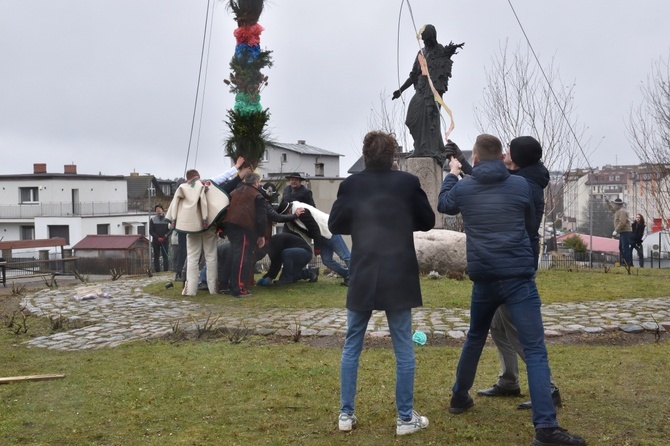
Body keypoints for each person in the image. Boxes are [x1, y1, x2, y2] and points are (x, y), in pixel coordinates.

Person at [437, 134, 585, 446]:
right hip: (518, 277)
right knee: (534, 348)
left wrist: (452, 173)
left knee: (475, 339)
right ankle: (546, 428)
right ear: (502, 156)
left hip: (484, 277)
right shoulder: (521, 187)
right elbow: (530, 225)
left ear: (474, 159)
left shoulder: (464, 186)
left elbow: (444, 205)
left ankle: (459, 397)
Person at [329, 131, 435, 435]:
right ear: (393, 156)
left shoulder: (350, 184)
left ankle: (345, 415)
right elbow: (427, 220)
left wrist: (361, 222)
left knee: (352, 344)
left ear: (365, 154)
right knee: (403, 347)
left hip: (364, 269)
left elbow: (335, 224)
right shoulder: (407, 183)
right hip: (398, 270)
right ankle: (405, 419)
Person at [476, 136, 561, 410]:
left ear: (519, 157)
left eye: (510, 149)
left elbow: (491, 191)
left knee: (515, 327)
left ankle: (548, 389)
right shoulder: (524, 177)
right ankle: (509, 380)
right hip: (509, 259)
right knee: (499, 324)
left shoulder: (524, 184)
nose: (505, 152)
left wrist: (466, 169)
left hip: (514, 262)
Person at [166, 157, 246, 295]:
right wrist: (236, 167)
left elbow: (174, 208)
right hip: (208, 226)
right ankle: (213, 289)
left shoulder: (183, 189)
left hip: (190, 228)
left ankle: (190, 290)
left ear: (187, 179)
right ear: (199, 176)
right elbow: (223, 179)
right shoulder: (206, 185)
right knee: (211, 258)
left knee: (192, 258)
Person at [392, 24, 464, 166]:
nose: (426, 43)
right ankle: (419, 147)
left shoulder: (440, 51)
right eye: (424, 40)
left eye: (428, 40)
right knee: (411, 120)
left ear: (433, 37)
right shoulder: (422, 52)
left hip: (433, 93)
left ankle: (428, 149)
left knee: (430, 122)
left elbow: (443, 69)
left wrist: (449, 52)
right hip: (420, 90)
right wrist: (400, 90)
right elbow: (413, 75)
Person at [283, 200, 351, 286]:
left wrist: (316, 247)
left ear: (287, 211)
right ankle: (347, 275)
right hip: (322, 236)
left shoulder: (301, 212)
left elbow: (315, 229)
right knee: (327, 260)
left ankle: (355, 277)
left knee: (345, 255)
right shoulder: (294, 214)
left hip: (328, 230)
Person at [221, 172, 267, 297]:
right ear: (256, 182)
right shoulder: (258, 196)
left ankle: (227, 284)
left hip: (230, 226)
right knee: (241, 258)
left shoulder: (235, 192)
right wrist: (261, 235)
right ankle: (238, 288)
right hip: (243, 228)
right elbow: (261, 218)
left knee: (235, 255)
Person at [605, 197, 633, 266]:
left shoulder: (622, 211)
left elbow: (622, 222)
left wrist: (616, 230)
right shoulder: (618, 210)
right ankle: (625, 261)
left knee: (625, 247)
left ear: (618, 205)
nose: (614, 205)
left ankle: (627, 262)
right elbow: (612, 209)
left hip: (625, 231)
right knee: (621, 247)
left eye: (615, 204)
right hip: (622, 232)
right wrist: (608, 202)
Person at [149, 205, 171, 273]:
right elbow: (151, 231)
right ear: (155, 211)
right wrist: (157, 237)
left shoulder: (167, 219)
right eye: (157, 209)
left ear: (162, 210)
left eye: (160, 208)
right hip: (156, 241)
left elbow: (170, 229)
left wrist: (165, 236)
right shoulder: (152, 219)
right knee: (156, 256)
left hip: (165, 240)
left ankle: (166, 270)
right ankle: (157, 270)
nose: (158, 210)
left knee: (165, 256)